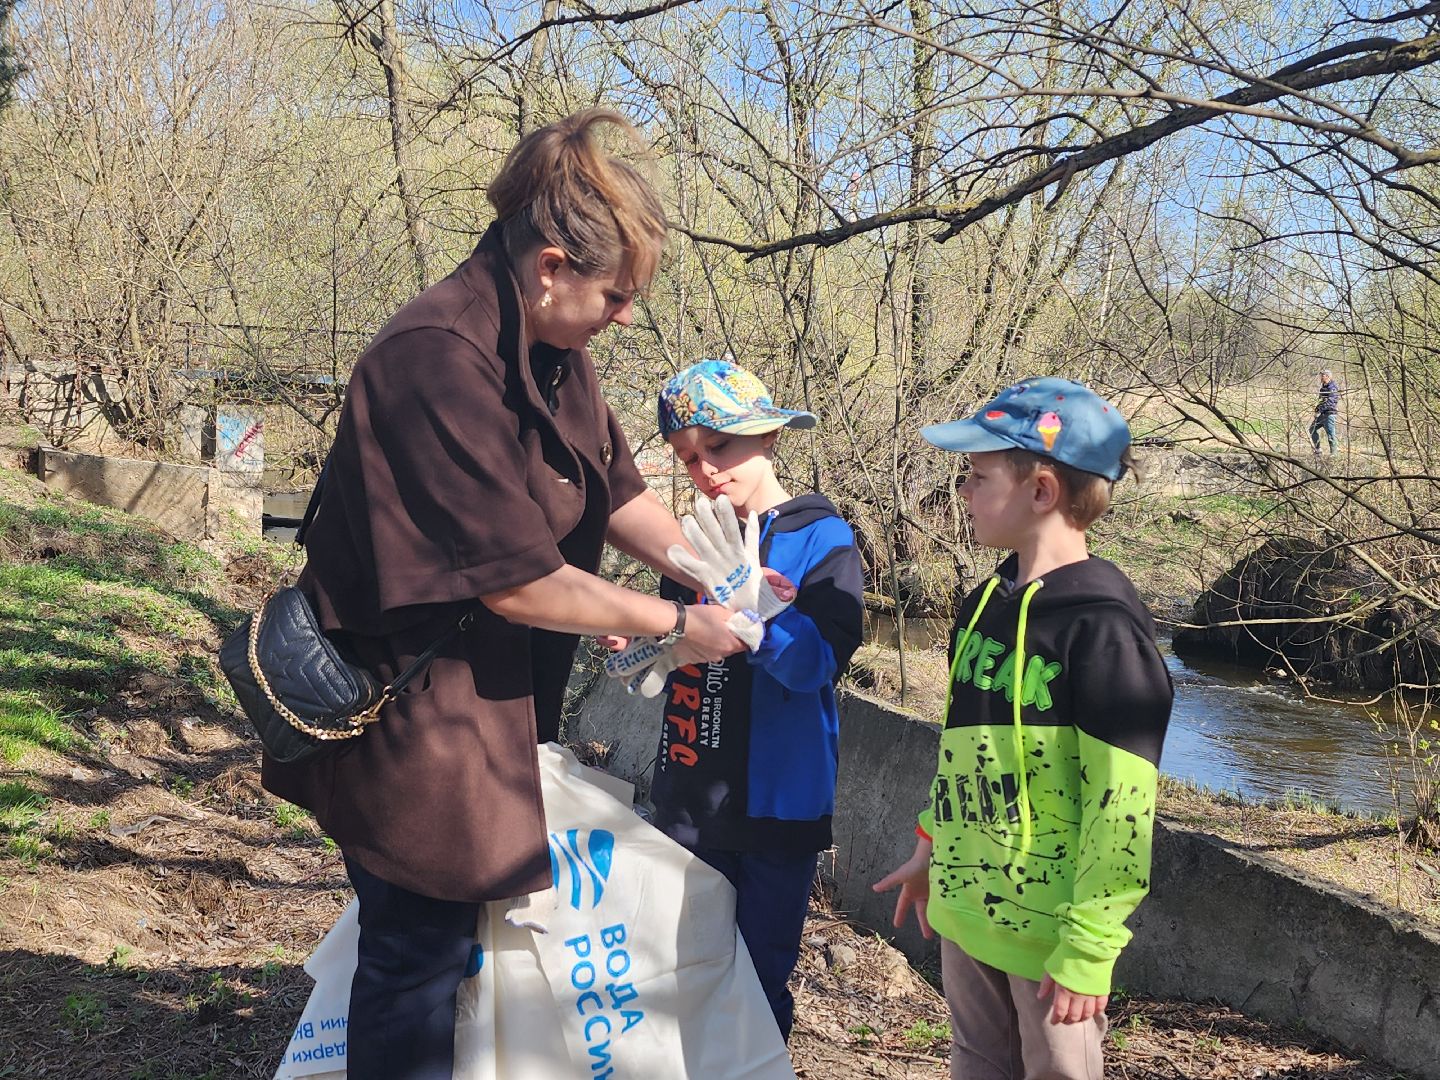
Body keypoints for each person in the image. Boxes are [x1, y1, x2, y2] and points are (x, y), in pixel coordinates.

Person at [261, 110, 748, 1080]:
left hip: (485, 700)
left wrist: (712, 568)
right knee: (415, 956)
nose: (626, 316)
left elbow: (615, 492)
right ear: (553, 265)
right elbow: (521, 582)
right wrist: (673, 622)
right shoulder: (434, 358)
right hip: (405, 709)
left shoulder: (557, 349)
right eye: (618, 296)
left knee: (444, 947)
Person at [872, 377, 1173, 1080]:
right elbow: (968, 751)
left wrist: (1090, 949)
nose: (963, 493)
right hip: (965, 909)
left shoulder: (1104, 634)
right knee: (976, 1063)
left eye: (977, 477)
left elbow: (1122, 810)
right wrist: (929, 846)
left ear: (1041, 491)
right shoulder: (982, 604)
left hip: (1051, 940)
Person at [643, 359, 865, 1041]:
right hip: (689, 796)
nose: (705, 469)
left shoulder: (822, 537)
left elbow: (815, 664)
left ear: (768, 435)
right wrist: (643, 643)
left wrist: (752, 613)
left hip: (777, 810)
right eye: (687, 458)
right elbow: (675, 643)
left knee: (755, 984)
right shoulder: (691, 541)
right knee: (680, 977)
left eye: (719, 446)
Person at [1309, 368, 1341, 456]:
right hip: (1322, 414)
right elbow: (1321, 401)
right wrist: (1316, 409)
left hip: (1330, 414)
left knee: (1330, 434)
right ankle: (1318, 449)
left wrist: (1320, 409)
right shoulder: (1323, 387)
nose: (1321, 377)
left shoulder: (1332, 387)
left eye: (1322, 376)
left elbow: (1330, 402)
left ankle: (1334, 454)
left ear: (1328, 377)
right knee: (1312, 429)